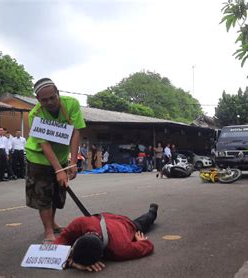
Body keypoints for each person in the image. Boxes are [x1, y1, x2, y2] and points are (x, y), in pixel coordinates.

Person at [25, 78, 86, 242]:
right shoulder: (35, 114)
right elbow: (44, 145)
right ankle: (48, 232)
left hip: (60, 156)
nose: (50, 102)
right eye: (44, 100)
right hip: (38, 158)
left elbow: (76, 133)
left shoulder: (71, 104)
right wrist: (59, 170)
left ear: (57, 93)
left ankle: (52, 222)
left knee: (57, 195)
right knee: (44, 194)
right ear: (38, 100)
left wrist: (73, 162)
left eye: (52, 97)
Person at [53, 204, 159, 272]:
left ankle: (152, 211)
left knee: (146, 220)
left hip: (126, 224)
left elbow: (148, 246)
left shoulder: (120, 248)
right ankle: (151, 212)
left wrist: (141, 241)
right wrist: (73, 263)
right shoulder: (80, 223)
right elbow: (56, 245)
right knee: (142, 221)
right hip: (108, 218)